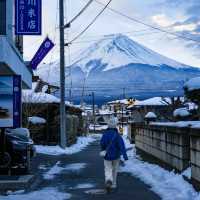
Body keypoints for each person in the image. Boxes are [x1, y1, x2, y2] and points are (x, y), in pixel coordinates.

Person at [100, 117, 128, 193]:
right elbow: (122, 146)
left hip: (107, 156)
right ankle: (114, 184)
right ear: (115, 126)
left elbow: (102, 143)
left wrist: (103, 150)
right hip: (116, 156)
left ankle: (108, 180)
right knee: (115, 169)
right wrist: (125, 156)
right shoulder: (117, 135)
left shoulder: (105, 134)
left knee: (108, 169)